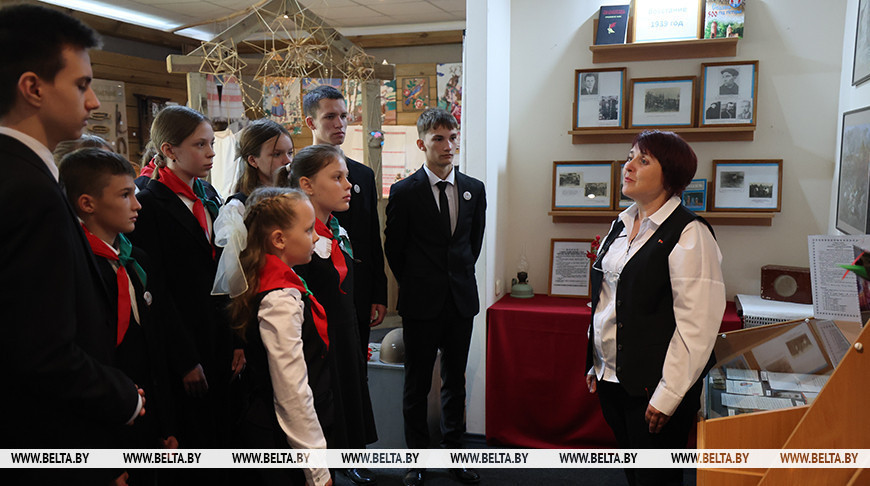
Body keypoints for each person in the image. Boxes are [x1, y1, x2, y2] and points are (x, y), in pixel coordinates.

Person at [0, 0, 144, 467]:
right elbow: (39, 349)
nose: (94, 101)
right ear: (33, 88)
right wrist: (123, 399)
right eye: (81, 84)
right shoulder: (28, 190)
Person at [585, 130, 725, 486]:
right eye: (629, 157)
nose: (628, 166)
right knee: (635, 475)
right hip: (613, 380)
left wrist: (669, 394)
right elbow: (607, 299)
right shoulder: (621, 223)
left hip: (656, 390)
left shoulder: (690, 233)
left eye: (643, 160)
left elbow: (697, 326)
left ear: (670, 175)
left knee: (656, 480)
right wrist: (596, 360)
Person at [59, 148, 180, 484]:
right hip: (106, 430)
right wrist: (104, 463)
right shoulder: (76, 270)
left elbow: (154, 350)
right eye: (125, 195)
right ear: (87, 204)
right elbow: (86, 365)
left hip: (147, 420)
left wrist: (166, 425)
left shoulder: (136, 258)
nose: (137, 205)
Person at [128, 105, 245, 453]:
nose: (211, 153)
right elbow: (157, 290)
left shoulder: (208, 195)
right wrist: (185, 359)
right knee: (196, 436)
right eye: (199, 145)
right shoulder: (149, 204)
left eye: (211, 144)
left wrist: (237, 338)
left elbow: (225, 269)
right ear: (169, 150)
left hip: (219, 332)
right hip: (183, 338)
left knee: (226, 432)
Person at [384, 108, 486, 486]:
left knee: (455, 381)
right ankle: (416, 460)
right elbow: (395, 250)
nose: (448, 145)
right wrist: (418, 282)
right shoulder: (405, 191)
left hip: (460, 300)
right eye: (439, 138)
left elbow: (472, 245)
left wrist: (454, 278)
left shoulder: (474, 188)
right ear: (421, 143)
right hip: (420, 302)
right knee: (417, 383)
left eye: (453, 137)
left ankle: (455, 454)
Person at [303, 85, 386, 486]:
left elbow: (371, 238)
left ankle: (353, 451)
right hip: (318, 288)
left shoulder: (362, 175)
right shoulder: (296, 174)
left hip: (354, 288)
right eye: (329, 117)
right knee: (324, 379)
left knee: (355, 372)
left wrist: (378, 292)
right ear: (311, 122)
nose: (339, 124)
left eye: (343, 115)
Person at [228, 187, 333, 486]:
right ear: (279, 239)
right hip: (281, 440)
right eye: (309, 229)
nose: (316, 237)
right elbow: (291, 391)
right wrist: (317, 470)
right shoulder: (280, 301)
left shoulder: (277, 279)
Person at [287, 145, 378, 466]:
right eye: (337, 177)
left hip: (344, 337)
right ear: (307, 185)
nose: (348, 185)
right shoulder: (300, 242)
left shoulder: (337, 230)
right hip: (317, 347)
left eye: (347, 177)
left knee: (347, 415)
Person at [213, 119, 294, 298]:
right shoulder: (238, 207)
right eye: (276, 154)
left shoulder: (294, 199)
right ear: (253, 160)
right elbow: (234, 274)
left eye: (290, 152)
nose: (287, 160)